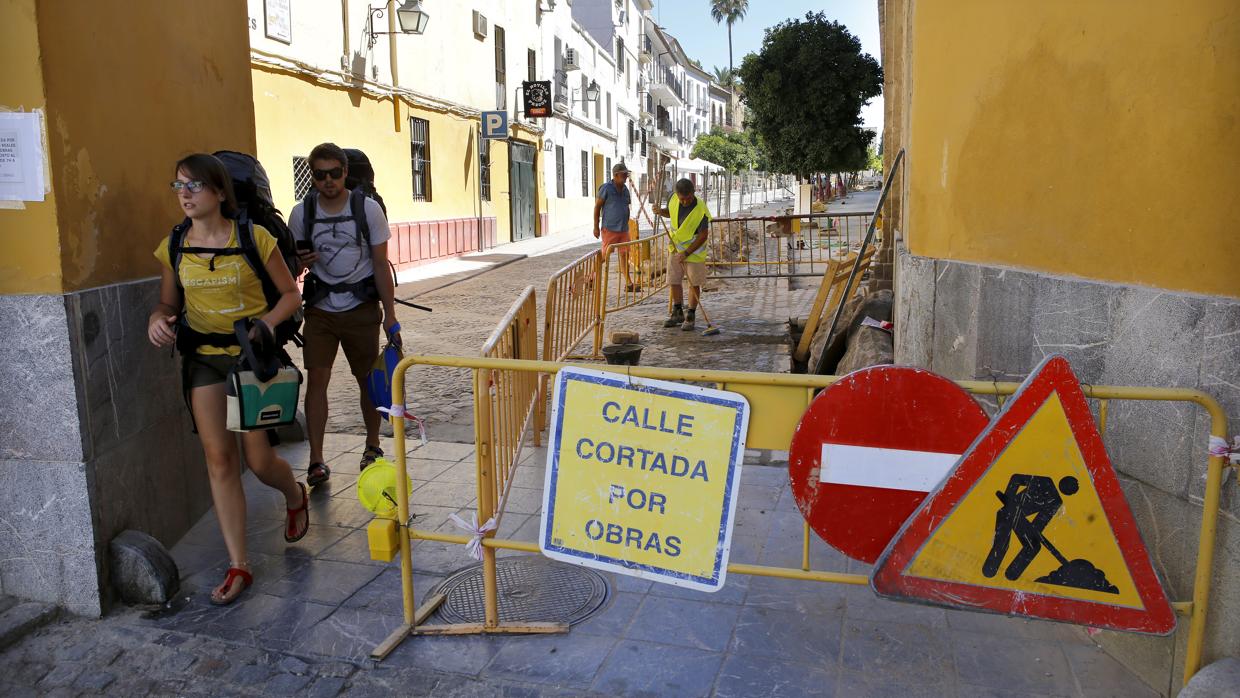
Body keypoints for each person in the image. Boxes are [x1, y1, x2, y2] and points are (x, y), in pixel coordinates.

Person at [148, 153, 308, 606]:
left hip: (251, 358)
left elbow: (289, 295)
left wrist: (267, 325)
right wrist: (157, 320)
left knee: (258, 461)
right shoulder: (174, 245)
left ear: (219, 192)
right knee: (219, 460)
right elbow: (166, 304)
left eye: (194, 185)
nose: (184, 193)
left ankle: (294, 494)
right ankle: (240, 564)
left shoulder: (254, 238)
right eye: (178, 185)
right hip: (203, 360)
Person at [290, 142, 401, 485]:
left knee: (367, 382)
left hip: (360, 310)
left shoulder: (367, 210)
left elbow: (381, 265)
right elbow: (291, 265)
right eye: (319, 174)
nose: (327, 181)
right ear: (313, 176)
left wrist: (390, 315)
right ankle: (316, 461)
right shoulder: (301, 213)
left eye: (334, 173)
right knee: (316, 382)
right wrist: (299, 263)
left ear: (344, 173)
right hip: (320, 310)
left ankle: (372, 445)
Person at [652, 178, 711, 330]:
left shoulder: (700, 209)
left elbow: (703, 235)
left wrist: (687, 252)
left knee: (694, 282)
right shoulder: (673, 199)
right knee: (674, 280)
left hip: (694, 252)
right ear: (677, 195)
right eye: (682, 199)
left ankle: (690, 315)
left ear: (693, 193)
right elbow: (671, 213)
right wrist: (660, 211)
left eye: (688, 198)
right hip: (675, 249)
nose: (685, 202)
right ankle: (677, 312)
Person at [594, 162, 639, 292]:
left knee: (625, 255)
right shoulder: (606, 188)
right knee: (604, 256)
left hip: (623, 229)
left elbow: (627, 207)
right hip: (610, 229)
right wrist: (596, 226)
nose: (626, 177)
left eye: (626, 175)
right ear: (615, 175)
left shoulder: (625, 190)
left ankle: (629, 283)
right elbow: (597, 207)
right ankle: (591, 278)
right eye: (624, 175)